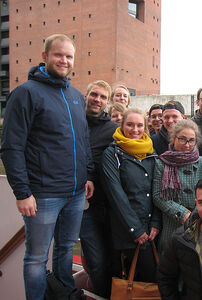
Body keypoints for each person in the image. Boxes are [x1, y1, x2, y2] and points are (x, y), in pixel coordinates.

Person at [0, 34, 94, 300]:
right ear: (45, 57)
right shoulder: (25, 93)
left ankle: (63, 295)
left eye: (69, 56)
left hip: (75, 193)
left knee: (65, 249)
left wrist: (86, 175)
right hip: (43, 195)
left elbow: (82, 140)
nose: (64, 60)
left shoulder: (76, 96)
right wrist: (22, 192)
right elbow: (12, 147)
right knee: (36, 258)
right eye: (58, 55)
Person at [101, 108, 161, 282]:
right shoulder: (112, 154)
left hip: (151, 230)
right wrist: (135, 229)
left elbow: (157, 190)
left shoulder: (151, 152)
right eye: (130, 125)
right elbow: (116, 195)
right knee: (147, 277)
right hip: (129, 230)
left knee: (147, 281)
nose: (135, 130)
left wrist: (155, 223)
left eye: (139, 125)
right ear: (122, 125)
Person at [79, 80, 118, 298]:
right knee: (95, 261)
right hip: (83, 206)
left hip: (109, 206)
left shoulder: (112, 130)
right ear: (86, 95)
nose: (98, 100)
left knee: (113, 259)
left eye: (103, 97)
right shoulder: (73, 122)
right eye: (94, 94)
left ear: (108, 102)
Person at [152, 119, 202, 254]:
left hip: (198, 224)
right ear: (173, 139)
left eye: (191, 140)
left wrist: (195, 215)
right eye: (182, 139)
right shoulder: (161, 163)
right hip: (172, 225)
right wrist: (183, 214)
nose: (187, 144)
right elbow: (158, 196)